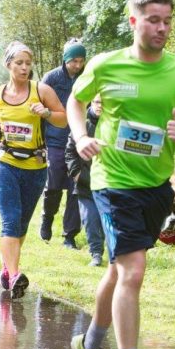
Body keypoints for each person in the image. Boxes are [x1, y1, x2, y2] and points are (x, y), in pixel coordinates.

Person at [68, 0, 175, 349]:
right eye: (153, 20)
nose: (162, 28)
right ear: (134, 21)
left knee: (118, 270)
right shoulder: (106, 64)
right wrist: (81, 135)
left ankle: (89, 343)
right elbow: (76, 100)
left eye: (167, 21)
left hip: (157, 185)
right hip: (112, 181)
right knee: (133, 271)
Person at [0, 41, 66, 299]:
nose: (24, 68)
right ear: (8, 65)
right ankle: (16, 275)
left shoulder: (42, 91)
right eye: (19, 63)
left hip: (35, 166)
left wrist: (47, 113)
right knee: (10, 220)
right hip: (4, 163)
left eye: (28, 63)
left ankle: (8, 269)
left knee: (21, 225)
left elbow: (63, 119)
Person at [39, 38, 87, 249]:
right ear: (65, 60)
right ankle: (47, 218)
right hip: (55, 140)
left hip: (79, 140)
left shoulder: (87, 78)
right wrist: (40, 142)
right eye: (73, 60)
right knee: (54, 186)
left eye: (81, 60)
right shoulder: (51, 78)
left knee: (77, 187)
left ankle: (69, 236)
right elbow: (38, 110)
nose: (77, 65)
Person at [65, 95, 104, 266]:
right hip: (85, 184)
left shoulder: (116, 126)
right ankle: (96, 254)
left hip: (109, 183)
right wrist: (77, 174)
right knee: (90, 219)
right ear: (91, 103)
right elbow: (69, 152)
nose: (100, 106)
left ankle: (114, 255)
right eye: (96, 102)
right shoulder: (82, 125)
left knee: (107, 221)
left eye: (104, 103)